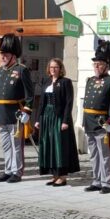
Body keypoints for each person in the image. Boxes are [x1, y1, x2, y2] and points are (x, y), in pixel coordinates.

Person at [0, 34, 34, 183]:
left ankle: (17, 171)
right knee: (5, 145)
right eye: (2, 54)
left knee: (16, 145)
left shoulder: (22, 70)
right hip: (2, 113)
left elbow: (30, 94)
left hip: (16, 113)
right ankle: (8, 170)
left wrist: (27, 111)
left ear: (13, 56)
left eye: (6, 54)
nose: (3, 57)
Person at [82, 40, 110, 193]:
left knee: (105, 155)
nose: (96, 67)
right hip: (89, 123)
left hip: (102, 123)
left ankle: (107, 183)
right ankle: (96, 180)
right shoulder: (90, 81)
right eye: (95, 64)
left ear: (107, 66)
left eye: (99, 64)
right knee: (93, 154)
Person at [34, 58, 79, 186]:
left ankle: (62, 176)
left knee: (59, 146)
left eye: (56, 67)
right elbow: (41, 103)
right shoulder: (46, 81)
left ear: (60, 69)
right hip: (46, 117)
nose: (53, 69)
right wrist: (38, 119)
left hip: (59, 117)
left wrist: (65, 121)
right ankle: (54, 175)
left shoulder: (66, 82)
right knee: (49, 145)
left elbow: (68, 103)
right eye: (51, 67)